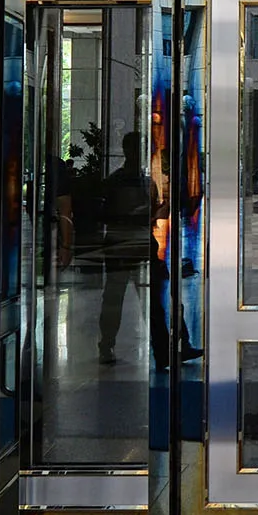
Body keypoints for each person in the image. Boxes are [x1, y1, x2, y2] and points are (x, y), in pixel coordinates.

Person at [97, 131, 155, 365]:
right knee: (119, 296)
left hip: (128, 243)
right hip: (125, 243)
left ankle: (108, 345)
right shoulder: (123, 181)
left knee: (120, 296)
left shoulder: (134, 180)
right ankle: (107, 344)